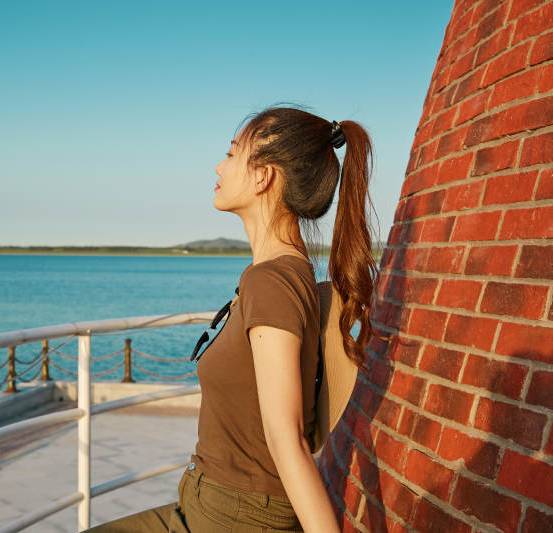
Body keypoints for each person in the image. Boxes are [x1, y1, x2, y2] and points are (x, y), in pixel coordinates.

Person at [84, 105, 378, 532]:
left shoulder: (272, 281)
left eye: (231, 153)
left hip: (234, 516)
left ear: (263, 177)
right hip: (208, 504)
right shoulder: (279, 273)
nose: (219, 166)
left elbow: (287, 439)